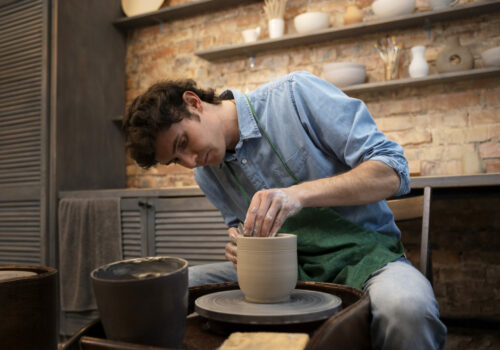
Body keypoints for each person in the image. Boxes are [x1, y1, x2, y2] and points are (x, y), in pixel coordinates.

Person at [123, 71, 447, 349]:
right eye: (175, 160)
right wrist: (240, 243)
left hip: (369, 260)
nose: (190, 161)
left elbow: (392, 170)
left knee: (407, 310)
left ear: (193, 102)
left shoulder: (295, 96)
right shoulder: (206, 174)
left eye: (182, 143)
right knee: (165, 289)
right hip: (288, 274)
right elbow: (242, 227)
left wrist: (298, 194)